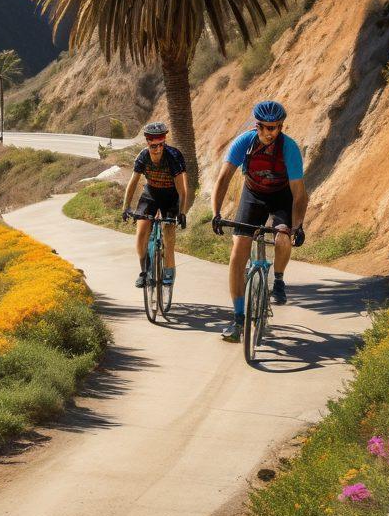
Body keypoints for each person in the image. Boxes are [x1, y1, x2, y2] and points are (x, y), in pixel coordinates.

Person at [211, 100, 308, 342]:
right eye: (264, 127)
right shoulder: (244, 142)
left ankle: (278, 279)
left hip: (281, 196)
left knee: (283, 238)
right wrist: (216, 213)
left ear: (281, 127)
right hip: (253, 194)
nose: (268, 132)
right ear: (257, 126)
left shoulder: (290, 149)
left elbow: (299, 194)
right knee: (237, 253)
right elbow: (223, 179)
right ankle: (237, 319)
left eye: (274, 128)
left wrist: (298, 226)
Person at [121, 121, 188, 288]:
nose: (157, 149)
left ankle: (169, 270)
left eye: (161, 145)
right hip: (151, 193)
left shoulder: (173, 157)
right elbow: (133, 182)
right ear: (147, 143)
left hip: (171, 195)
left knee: (168, 232)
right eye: (153, 146)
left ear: (164, 142)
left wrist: (183, 212)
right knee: (142, 230)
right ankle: (144, 271)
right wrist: (126, 207)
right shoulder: (143, 156)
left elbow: (182, 190)